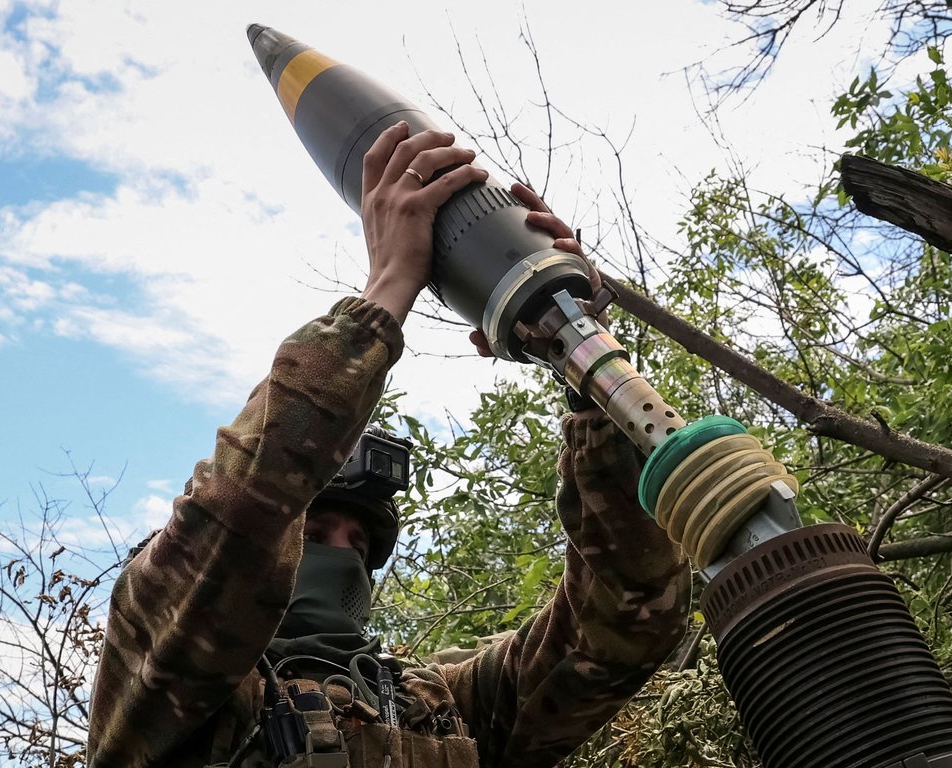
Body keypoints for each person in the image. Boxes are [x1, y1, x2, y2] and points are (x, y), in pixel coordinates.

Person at [86, 122, 691, 768]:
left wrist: (579, 359)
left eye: (360, 544)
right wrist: (386, 293)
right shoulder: (167, 687)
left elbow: (625, 621)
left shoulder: (438, 703)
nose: (343, 559)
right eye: (318, 531)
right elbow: (238, 513)